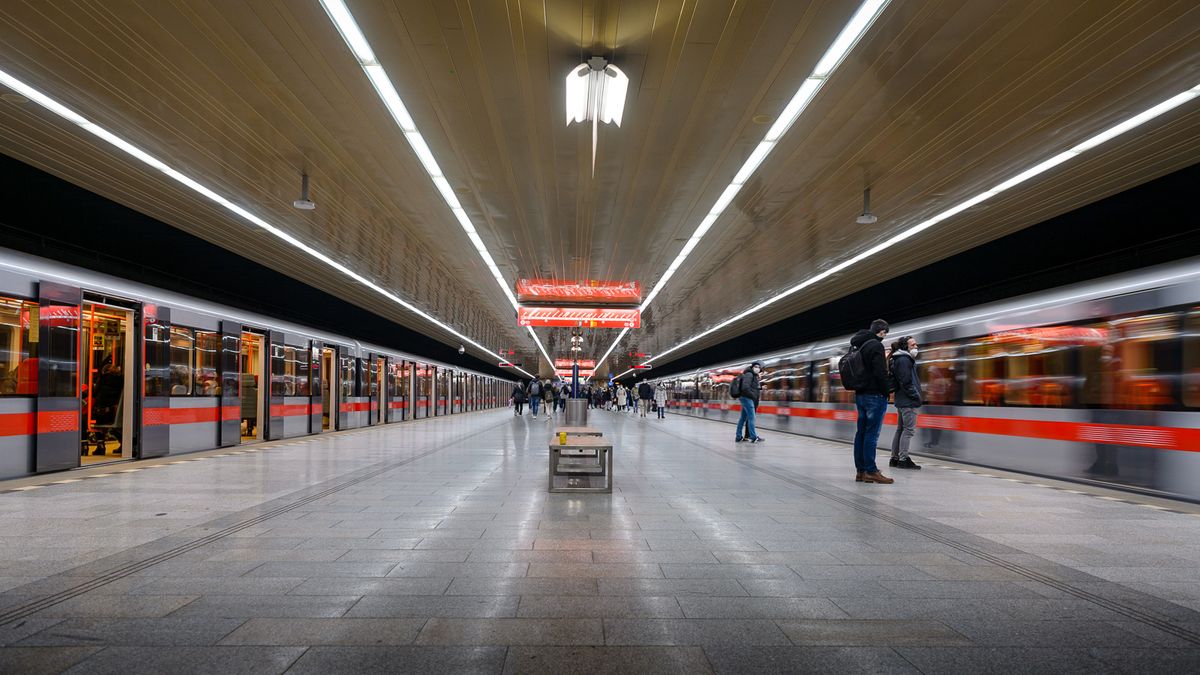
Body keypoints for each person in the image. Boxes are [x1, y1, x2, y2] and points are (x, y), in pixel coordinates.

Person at [850, 319, 893, 484]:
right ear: (881, 331)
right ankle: (871, 470)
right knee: (871, 434)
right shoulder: (876, 345)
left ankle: (860, 471)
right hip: (874, 395)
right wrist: (886, 391)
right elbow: (880, 373)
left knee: (861, 433)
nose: (884, 336)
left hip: (860, 394)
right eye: (885, 333)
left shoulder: (858, 344)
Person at [888, 336, 922, 470]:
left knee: (901, 429)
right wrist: (916, 396)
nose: (916, 347)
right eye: (913, 345)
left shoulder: (900, 359)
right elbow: (906, 382)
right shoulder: (903, 359)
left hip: (902, 399)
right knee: (908, 430)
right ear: (905, 347)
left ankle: (895, 458)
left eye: (916, 345)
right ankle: (903, 459)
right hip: (908, 400)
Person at [734, 361, 764, 443]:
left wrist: (759, 388)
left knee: (743, 418)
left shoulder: (752, 375)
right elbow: (745, 387)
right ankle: (753, 437)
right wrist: (753, 395)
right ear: (752, 367)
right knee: (751, 418)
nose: (758, 368)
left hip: (745, 398)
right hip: (747, 398)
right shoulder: (749, 374)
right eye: (756, 367)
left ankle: (738, 437)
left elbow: (752, 387)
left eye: (759, 367)